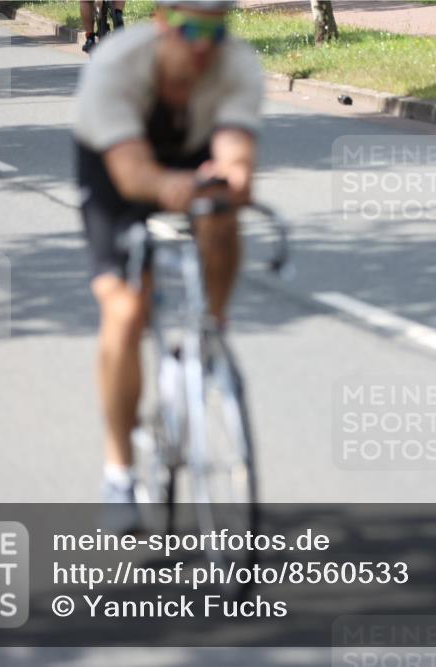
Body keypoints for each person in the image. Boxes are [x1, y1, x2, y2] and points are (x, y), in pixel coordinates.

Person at [73, 0, 262, 522]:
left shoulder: (236, 65)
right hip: (117, 166)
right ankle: (119, 473)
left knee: (222, 214)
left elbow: (235, 149)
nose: (203, 44)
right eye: (189, 29)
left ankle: (208, 333)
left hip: (191, 150)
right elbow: (134, 175)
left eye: (215, 30)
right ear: (161, 23)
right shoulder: (116, 66)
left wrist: (235, 175)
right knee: (126, 310)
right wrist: (169, 186)